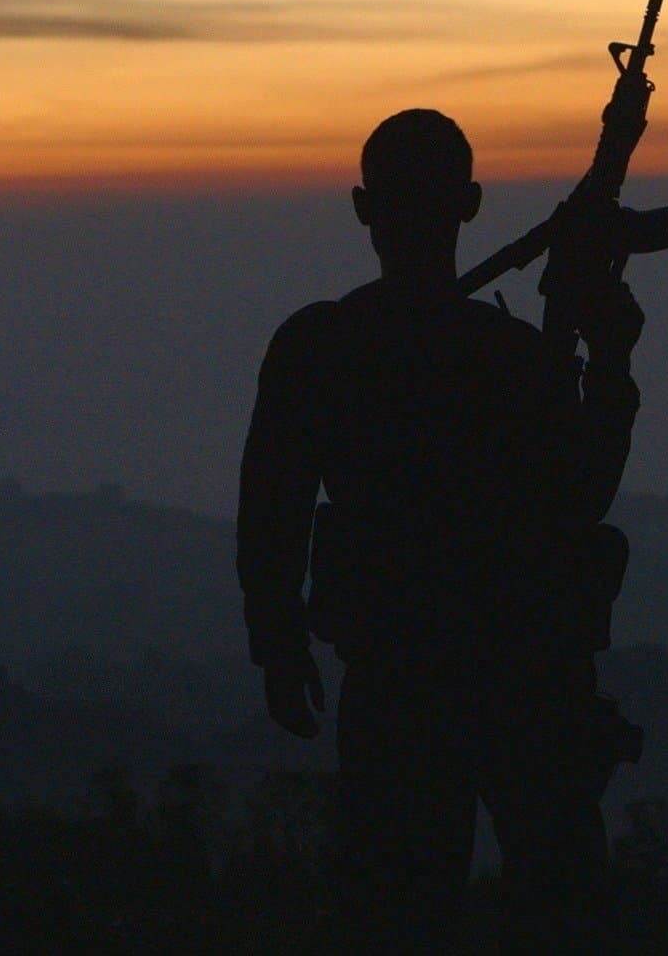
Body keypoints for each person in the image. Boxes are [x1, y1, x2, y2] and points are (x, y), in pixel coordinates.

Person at [236, 108, 644, 951]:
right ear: (471, 203)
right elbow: (583, 493)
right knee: (551, 908)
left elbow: (272, 508)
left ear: (361, 206)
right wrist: (609, 362)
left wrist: (278, 644)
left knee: (402, 915)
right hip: (517, 682)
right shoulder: (508, 356)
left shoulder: (325, 346)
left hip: (408, 684)